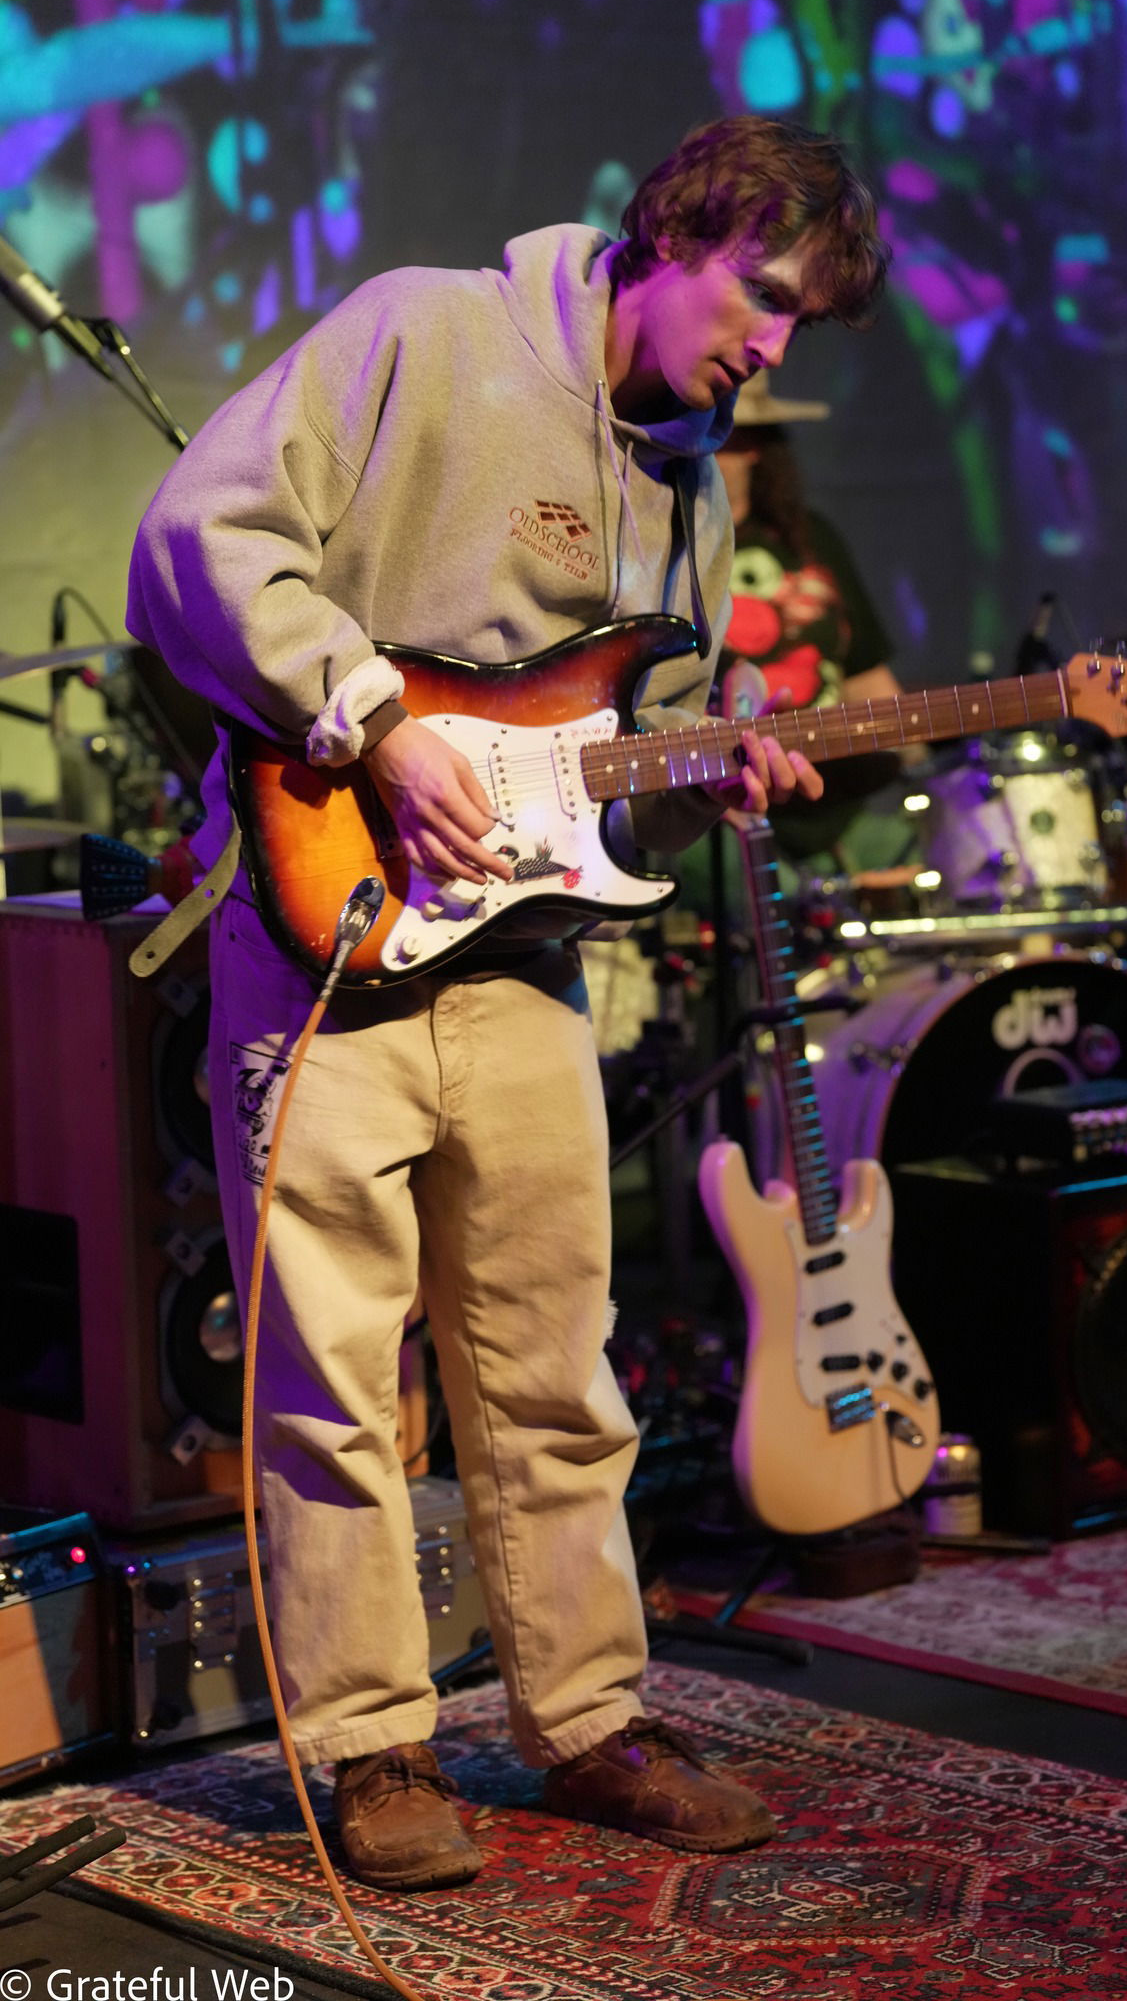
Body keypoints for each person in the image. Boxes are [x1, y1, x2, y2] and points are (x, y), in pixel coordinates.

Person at [125, 115, 887, 1892]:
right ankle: (371, 1747)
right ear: (670, 232)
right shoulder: (426, 329)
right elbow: (197, 535)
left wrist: (708, 778)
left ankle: (589, 1715)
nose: (772, 342)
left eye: (801, 319)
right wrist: (376, 722)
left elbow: (609, 768)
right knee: (331, 1379)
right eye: (762, 294)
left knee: (556, 1369)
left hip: (525, 962)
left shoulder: (689, 473)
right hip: (331, 933)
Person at [714, 369, 907, 867]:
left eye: (725, 433)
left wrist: (927, 757)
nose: (708, 448)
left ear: (755, 446)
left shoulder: (811, 538)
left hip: (842, 803)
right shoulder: (666, 549)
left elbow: (867, 681)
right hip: (723, 818)